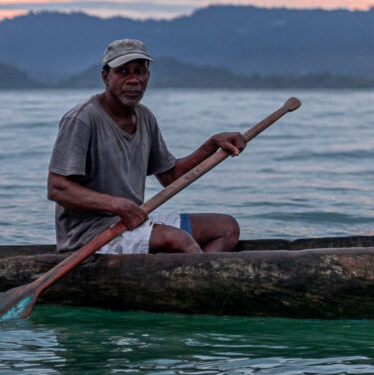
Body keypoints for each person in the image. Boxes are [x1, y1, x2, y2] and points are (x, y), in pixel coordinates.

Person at [47, 38, 248, 255]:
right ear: (106, 76)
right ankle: (202, 281)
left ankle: (188, 281)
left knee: (226, 228)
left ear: (148, 76)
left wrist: (211, 145)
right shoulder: (82, 119)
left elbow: (170, 176)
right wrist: (116, 205)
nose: (133, 80)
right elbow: (57, 187)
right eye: (123, 72)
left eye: (140, 72)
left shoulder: (145, 117)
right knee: (180, 240)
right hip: (90, 235)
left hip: (132, 222)